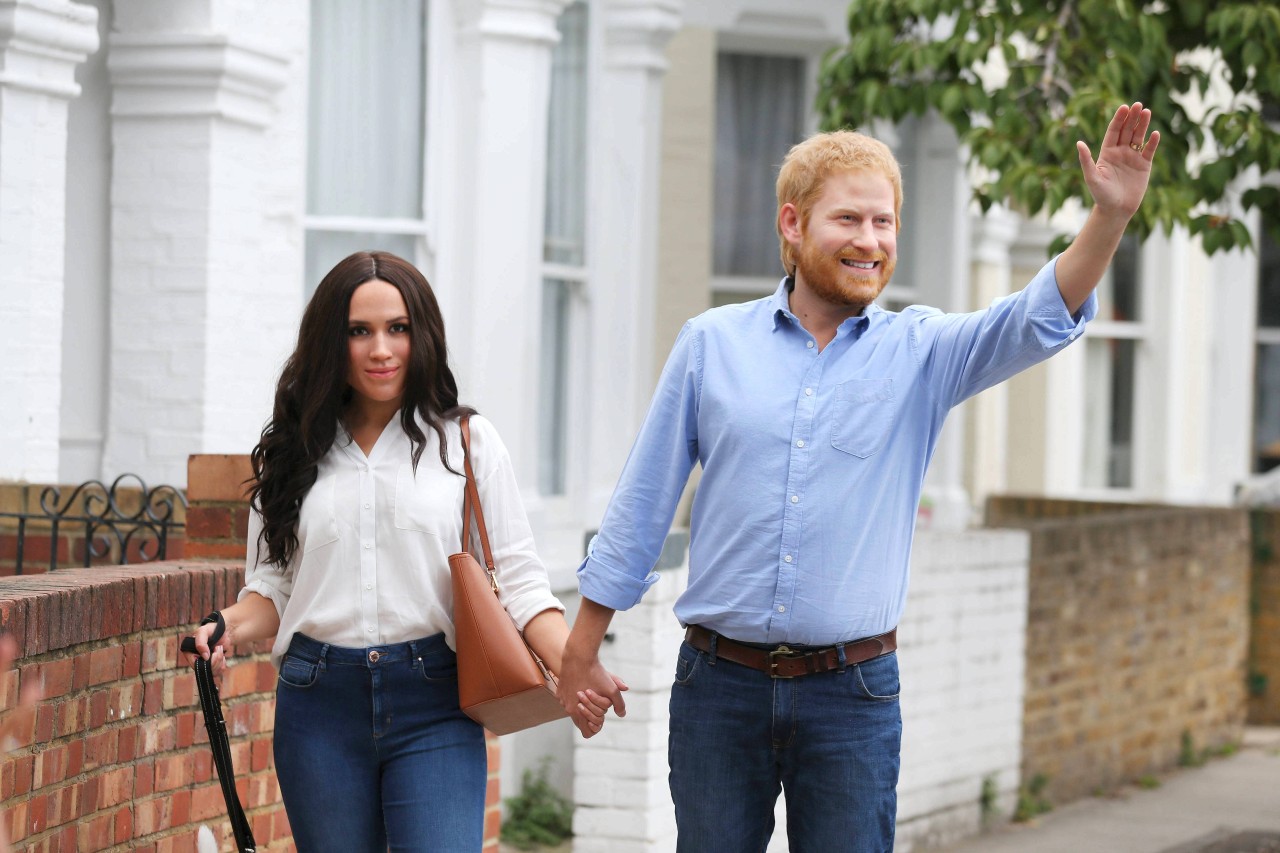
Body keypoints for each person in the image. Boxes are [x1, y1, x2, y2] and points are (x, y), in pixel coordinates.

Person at [558, 103, 1162, 852]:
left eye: (884, 224)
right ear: (792, 223)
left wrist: (1108, 219)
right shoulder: (711, 344)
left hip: (853, 695)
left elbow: (1035, 316)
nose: (870, 241)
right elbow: (643, 502)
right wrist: (582, 644)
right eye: (849, 219)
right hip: (719, 688)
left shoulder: (922, 351)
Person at [186, 251, 613, 852]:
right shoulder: (295, 452)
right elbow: (274, 590)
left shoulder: (465, 443)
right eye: (359, 331)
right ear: (332, 341)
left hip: (433, 699)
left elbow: (518, 582)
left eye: (397, 329)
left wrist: (574, 665)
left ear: (422, 335)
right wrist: (225, 625)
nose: (380, 349)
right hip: (318, 705)